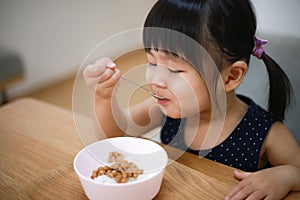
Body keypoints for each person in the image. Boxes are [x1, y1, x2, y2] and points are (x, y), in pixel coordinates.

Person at [83, 0, 300, 199]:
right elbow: (114, 134)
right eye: (152, 62)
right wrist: (103, 96)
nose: (156, 79)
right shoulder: (164, 108)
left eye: (175, 70)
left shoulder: (265, 134)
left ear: (231, 77)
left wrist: (287, 176)